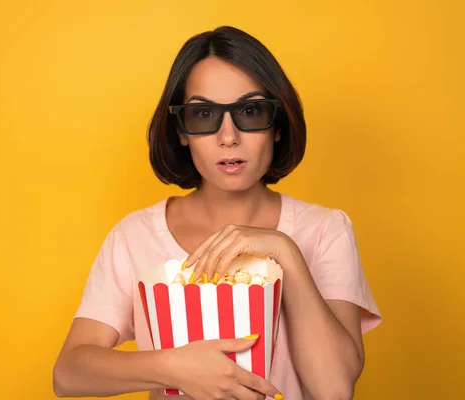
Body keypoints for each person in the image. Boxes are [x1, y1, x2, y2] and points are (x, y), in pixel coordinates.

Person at [52, 25, 382, 400]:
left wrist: (285, 251)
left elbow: (335, 391)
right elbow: (69, 374)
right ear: (181, 131)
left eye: (250, 110)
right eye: (204, 114)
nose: (229, 137)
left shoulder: (325, 231)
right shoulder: (135, 236)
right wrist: (173, 367)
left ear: (276, 126)